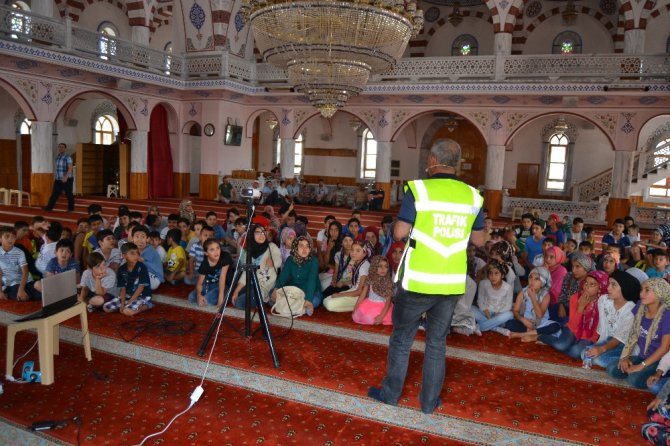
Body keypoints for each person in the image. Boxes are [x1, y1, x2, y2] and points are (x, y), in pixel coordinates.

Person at [368, 138, 486, 415]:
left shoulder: (419, 189)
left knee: (401, 339)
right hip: (450, 282)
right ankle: (429, 403)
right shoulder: (473, 196)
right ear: (456, 164)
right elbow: (479, 239)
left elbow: (398, 233)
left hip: (418, 280)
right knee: (436, 342)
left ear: (433, 160)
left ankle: (390, 395)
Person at [609, 278, 670, 389]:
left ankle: (664, 376)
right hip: (643, 356)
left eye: (647, 290)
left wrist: (641, 366)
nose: (641, 293)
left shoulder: (667, 315)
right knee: (613, 370)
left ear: (659, 293)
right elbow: (633, 334)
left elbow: (664, 348)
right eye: (641, 289)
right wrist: (625, 357)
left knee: (634, 380)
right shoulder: (640, 307)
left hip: (660, 360)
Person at [580, 270, 639, 369]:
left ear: (624, 287)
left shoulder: (631, 310)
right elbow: (603, 328)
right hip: (608, 339)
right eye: (608, 284)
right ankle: (616, 362)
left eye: (613, 285)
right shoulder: (603, 300)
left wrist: (601, 349)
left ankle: (629, 360)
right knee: (584, 354)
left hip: (623, 344)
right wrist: (598, 346)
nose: (608, 288)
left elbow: (618, 339)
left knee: (599, 359)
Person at [231, 224, 282, 309]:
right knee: (232, 294)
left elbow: (278, 259)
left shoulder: (271, 246)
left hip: (263, 287)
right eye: (258, 232)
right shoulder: (249, 251)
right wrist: (236, 290)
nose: (261, 235)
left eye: (263, 232)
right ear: (252, 235)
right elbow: (245, 273)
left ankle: (263, 298)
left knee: (239, 303)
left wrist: (273, 262)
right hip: (250, 284)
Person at [272, 236, 321, 315]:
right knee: (272, 294)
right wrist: (276, 289)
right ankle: (299, 308)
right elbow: (283, 276)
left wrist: (308, 300)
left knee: (315, 301)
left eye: (307, 246)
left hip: (310, 290)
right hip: (294, 289)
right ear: (296, 247)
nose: (305, 249)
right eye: (301, 246)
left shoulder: (313, 261)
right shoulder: (290, 260)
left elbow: (312, 281)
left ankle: (293, 307)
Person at [103, 243, 153, 316]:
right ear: (124, 256)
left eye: (137, 253)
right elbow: (122, 288)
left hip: (142, 295)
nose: (136, 255)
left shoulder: (142, 267)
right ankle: (127, 306)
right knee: (106, 308)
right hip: (127, 295)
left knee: (128, 311)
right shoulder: (121, 269)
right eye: (132, 253)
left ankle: (146, 305)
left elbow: (141, 287)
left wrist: (130, 301)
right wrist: (123, 302)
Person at [188, 238, 232, 307]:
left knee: (207, 301)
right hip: (210, 284)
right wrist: (199, 295)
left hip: (224, 285)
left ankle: (226, 295)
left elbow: (222, 279)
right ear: (206, 253)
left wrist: (220, 301)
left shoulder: (225, 257)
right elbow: (200, 282)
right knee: (191, 298)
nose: (216, 252)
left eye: (218, 248)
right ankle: (211, 295)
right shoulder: (205, 264)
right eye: (212, 250)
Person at [0, 227, 41, 301]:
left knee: (38, 285)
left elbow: (25, 272)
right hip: (12, 284)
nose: (10, 239)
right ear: (0, 239)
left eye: (13, 237)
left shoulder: (19, 252)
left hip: (27, 281)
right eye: (7, 236)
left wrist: (21, 289)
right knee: (21, 297)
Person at [352, 255, 394, 325]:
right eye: (380, 266)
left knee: (370, 319)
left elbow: (388, 301)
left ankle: (380, 318)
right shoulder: (370, 279)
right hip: (369, 304)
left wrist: (381, 316)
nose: (383, 269)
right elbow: (362, 295)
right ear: (374, 267)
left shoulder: (388, 282)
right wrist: (355, 308)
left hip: (382, 307)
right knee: (356, 317)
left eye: (386, 267)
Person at [43, 142, 75, 212]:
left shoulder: (68, 157)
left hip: (67, 179)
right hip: (58, 179)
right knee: (54, 194)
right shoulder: (58, 157)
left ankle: (71, 209)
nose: (61, 148)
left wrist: (66, 177)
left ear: (65, 148)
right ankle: (49, 207)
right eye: (59, 147)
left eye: (62, 147)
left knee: (69, 194)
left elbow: (70, 168)